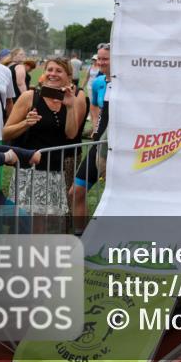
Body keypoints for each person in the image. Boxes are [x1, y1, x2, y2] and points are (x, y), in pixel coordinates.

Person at [2, 58, 86, 224]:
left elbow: (71, 134)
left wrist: (69, 106)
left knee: (46, 223)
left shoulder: (70, 100)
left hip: (55, 171)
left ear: (68, 77)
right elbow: (5, 133)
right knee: (27, 221)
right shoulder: (30, 97)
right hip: (29, 171)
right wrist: (26, 123)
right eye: (50, 70)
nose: (53, 74)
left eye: (58, 71)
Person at [71, 44, 110, 231]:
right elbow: (94, 106)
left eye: (105, 59)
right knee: (76, 192)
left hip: (119, 149)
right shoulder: (99, 82)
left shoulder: (127, 84)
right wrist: (95, 125)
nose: (100, 62)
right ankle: (81, 237)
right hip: (99, 144)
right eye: (99, 59)